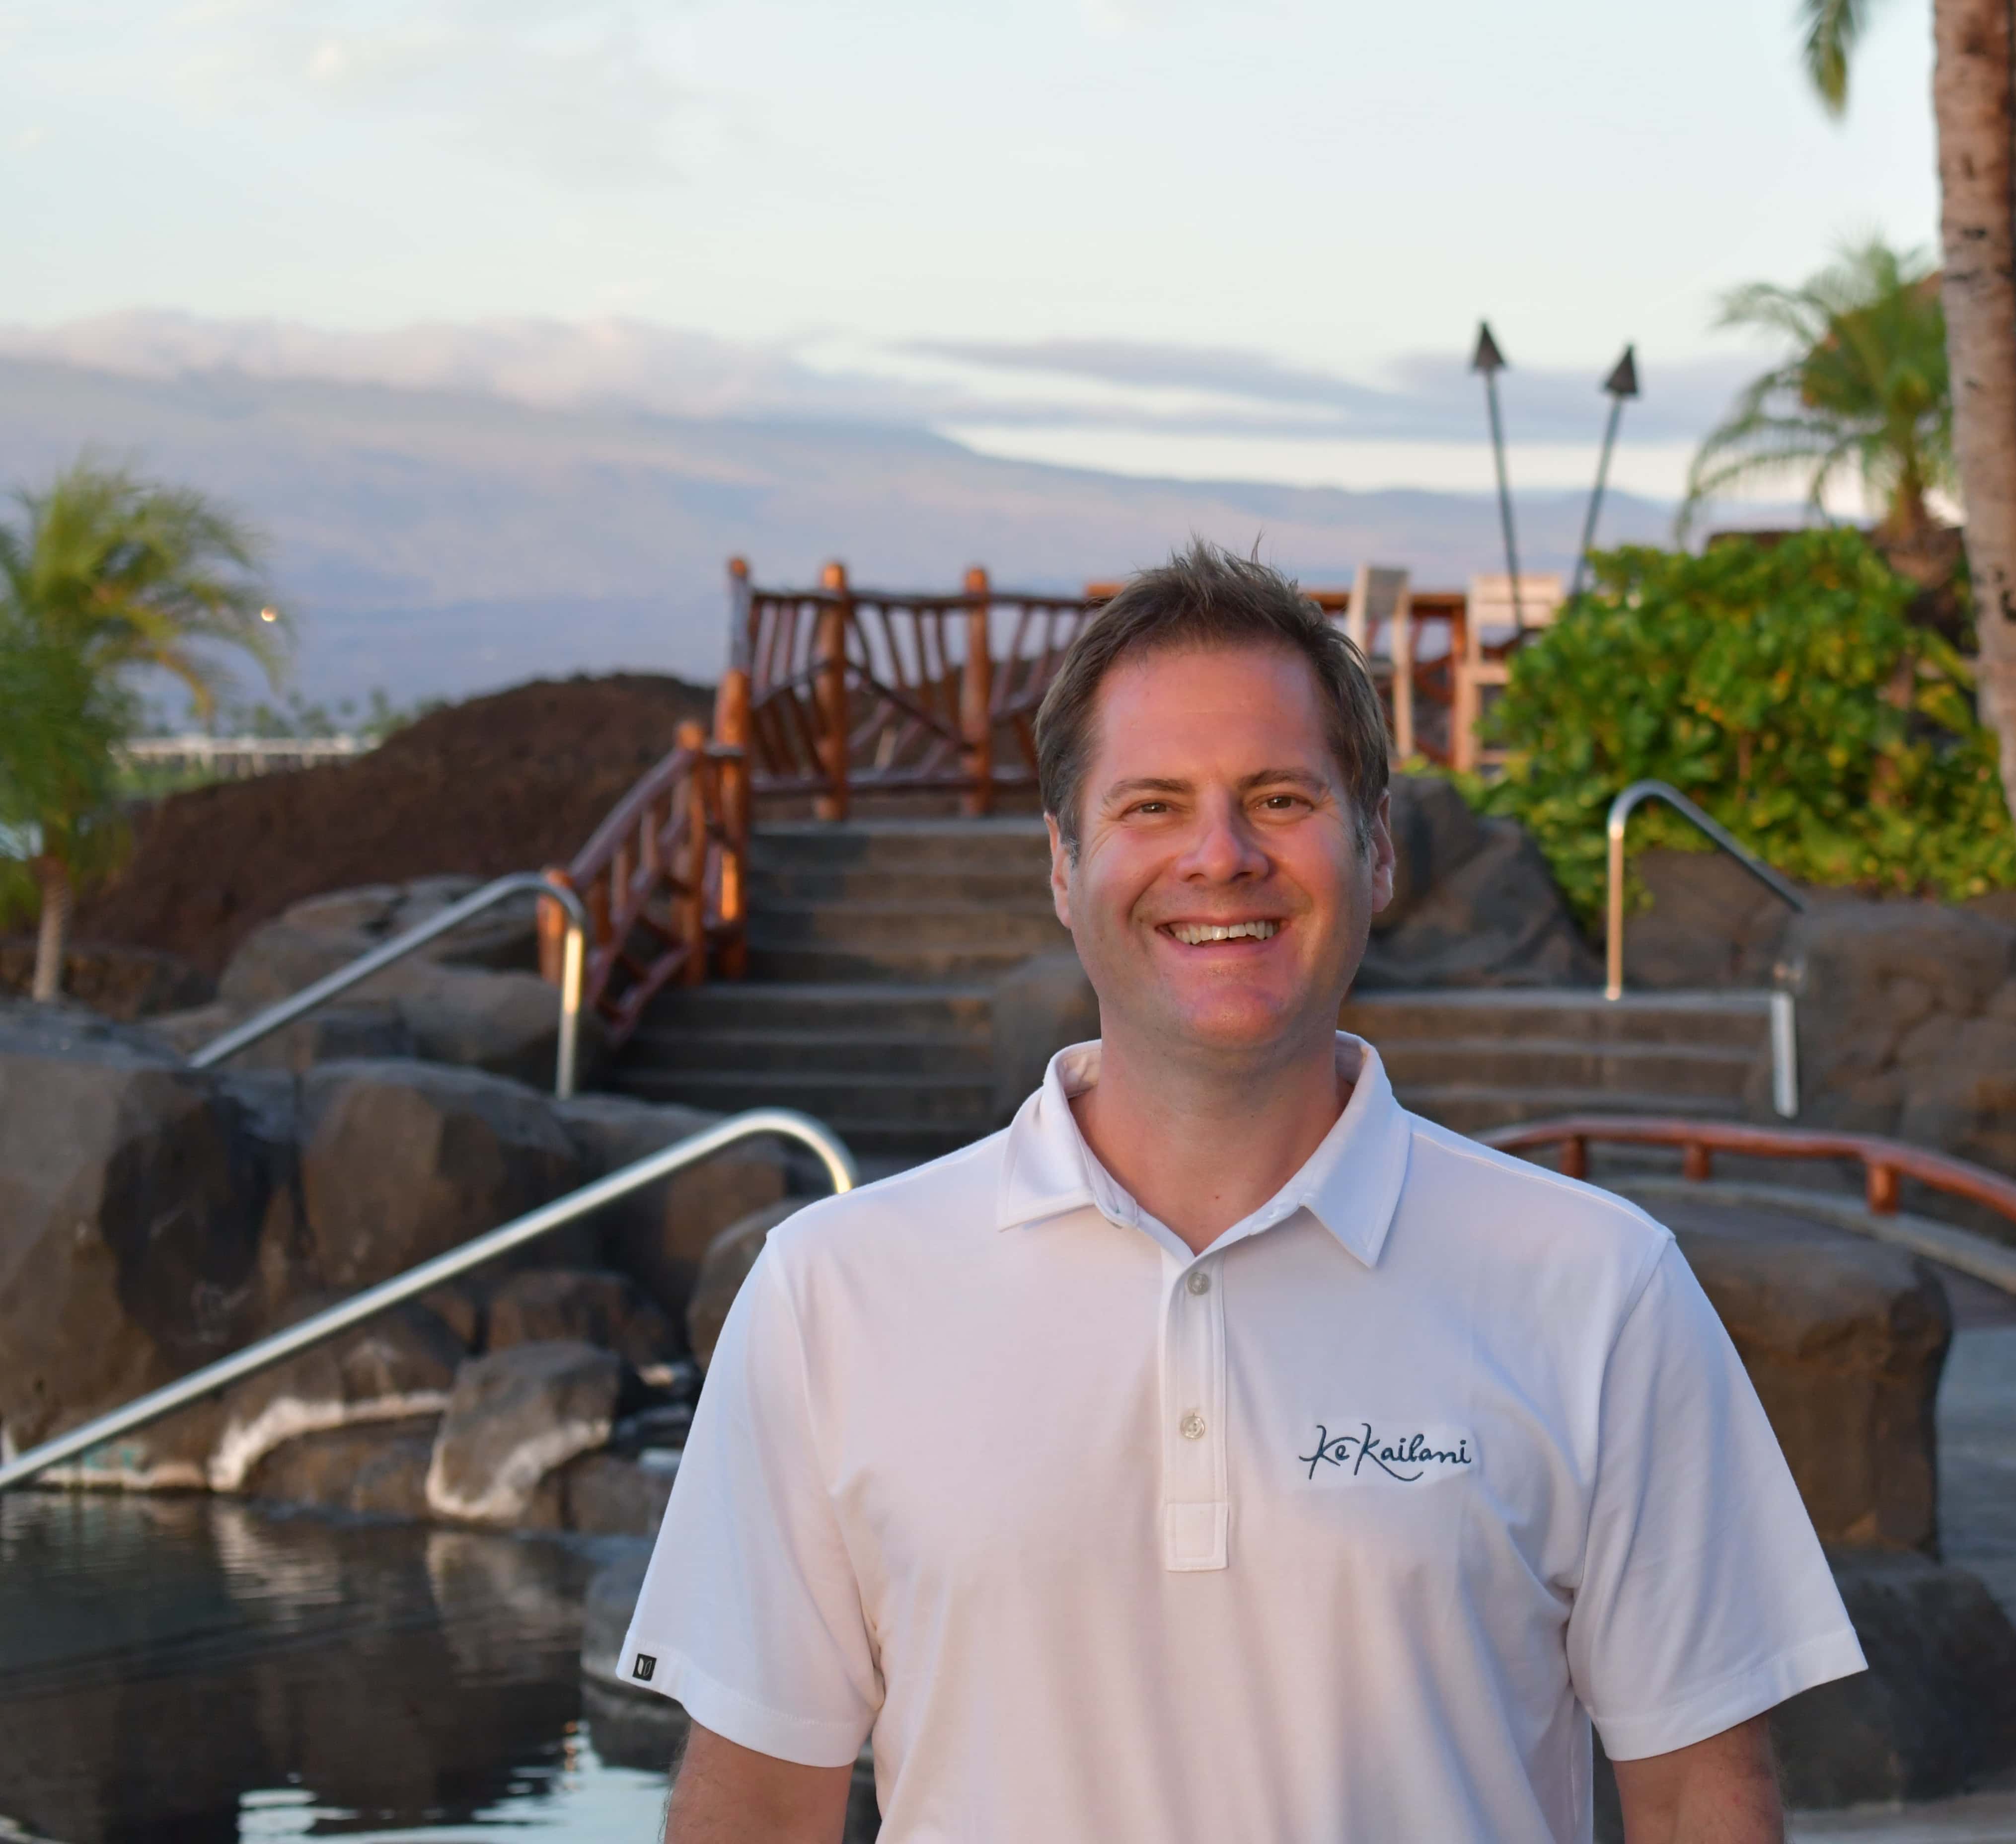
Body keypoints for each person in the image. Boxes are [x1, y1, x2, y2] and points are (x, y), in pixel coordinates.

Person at [627, 541, 1865, 1844]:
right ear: (1063, 866)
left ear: (1378, 851)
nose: (1219, 856)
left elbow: (1699, 1804)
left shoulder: (1599, 1287)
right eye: (1151, 805)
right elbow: (757, 1810)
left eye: (1279, 799)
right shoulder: (835, 1295)